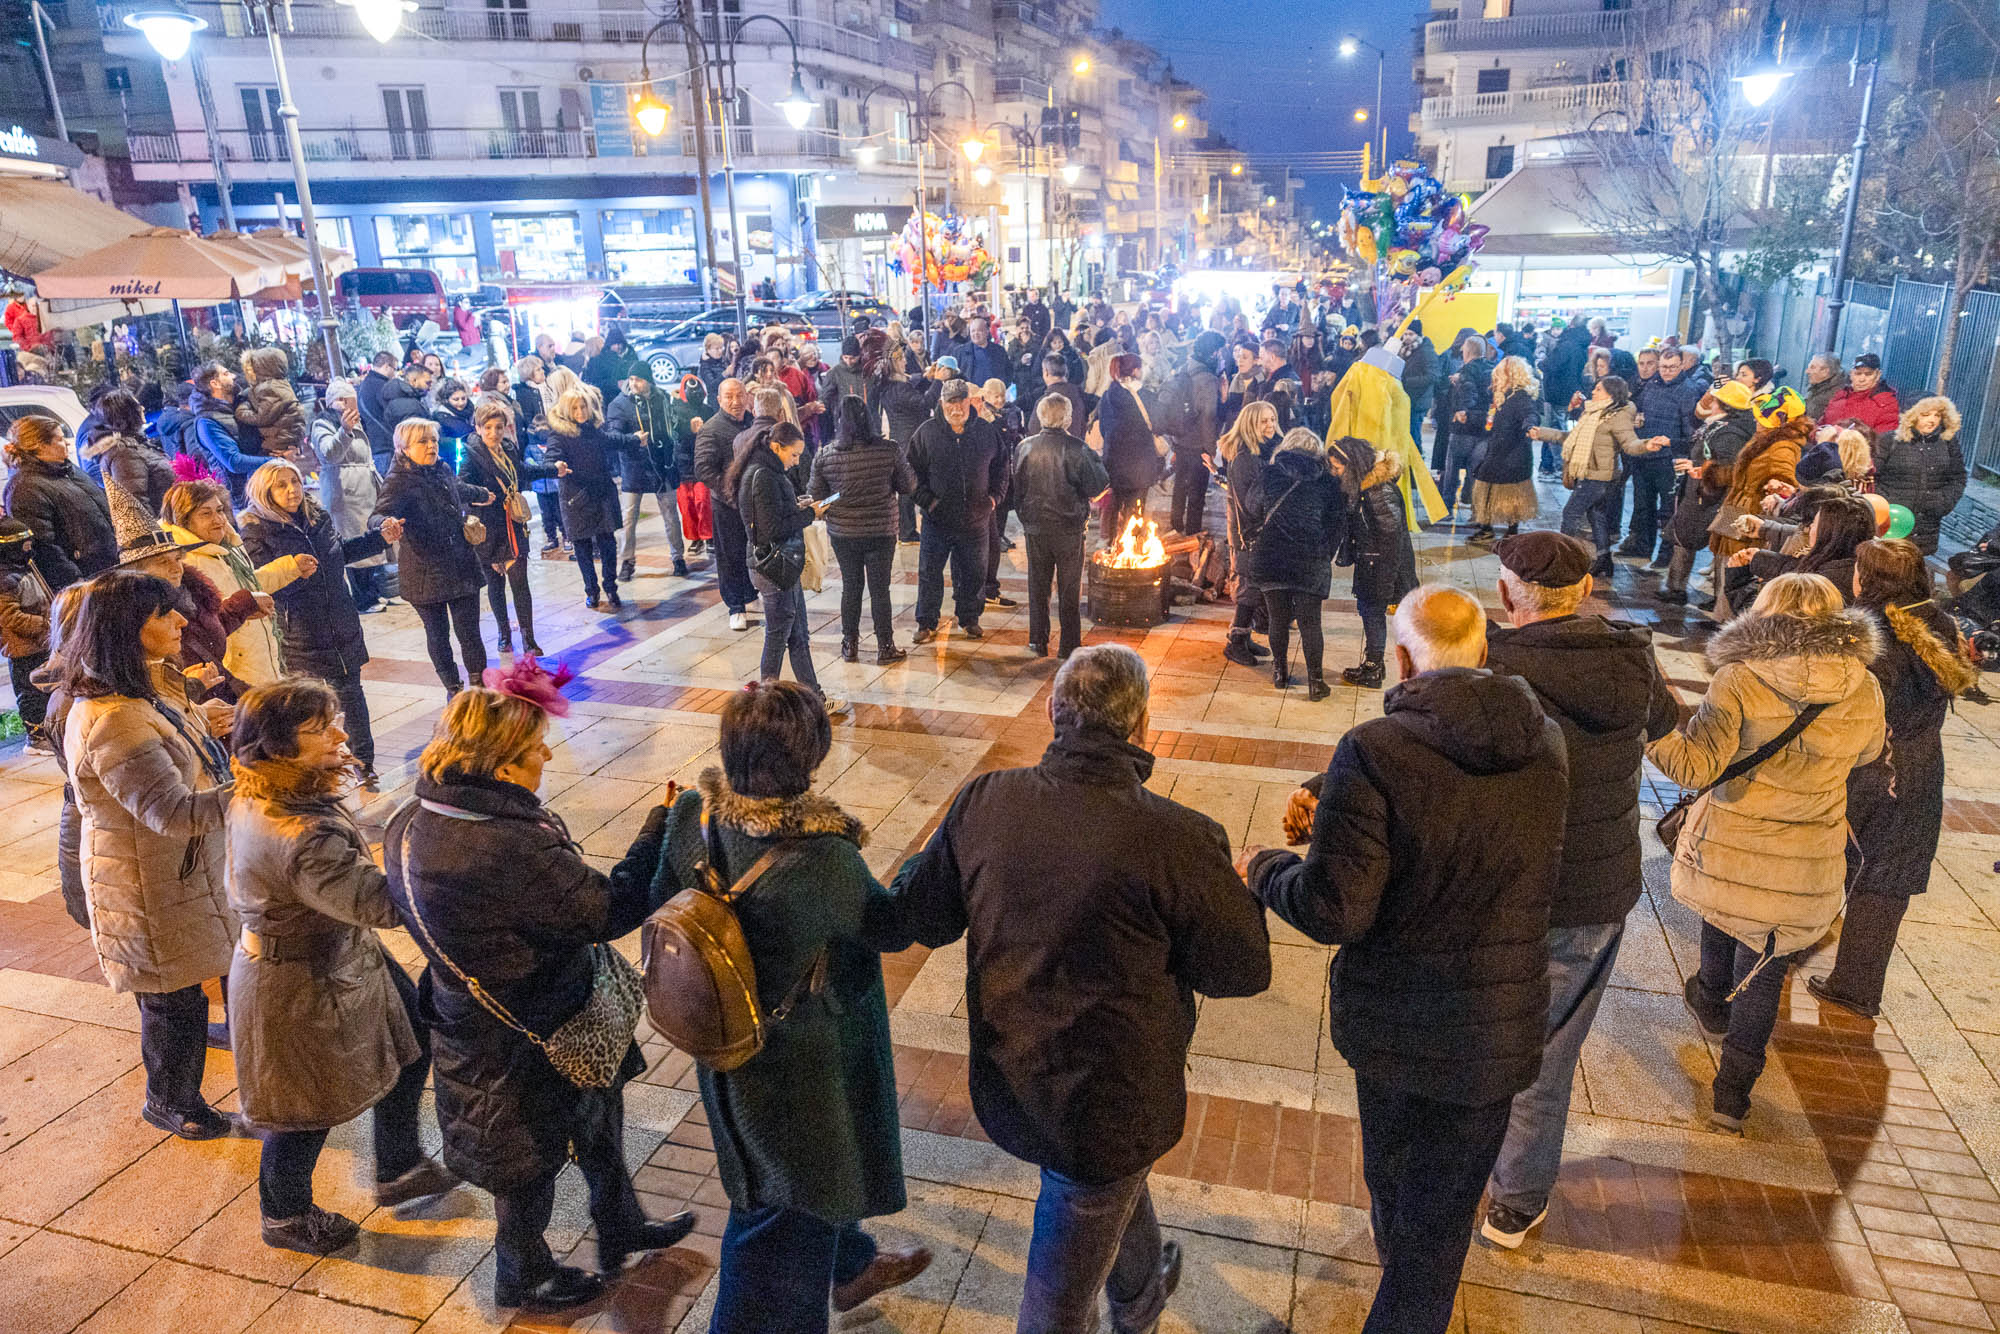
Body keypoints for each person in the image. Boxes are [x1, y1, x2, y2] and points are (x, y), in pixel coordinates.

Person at [872, 645, 1271, 1334]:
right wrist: (1241, 888)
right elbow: (1241, 970)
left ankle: (1141, 1294)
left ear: (1055, 712)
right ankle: (1133, 1301)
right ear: (1142, 725)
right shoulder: (1179, 838)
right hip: (1106, 1097)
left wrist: (942, 854)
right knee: (1059, 1296)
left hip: (1014, 1073)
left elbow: (922, 917)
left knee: (1109, 1186)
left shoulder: (985, 801)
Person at [1245, 584, 1565, 1334]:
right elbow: (1465, 806)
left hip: (1396, 1021)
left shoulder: (1375, 749)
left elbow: (1335, 908)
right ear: (1483, 649)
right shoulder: (1543, 739)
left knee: (1397, 1190)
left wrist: (1264, 869)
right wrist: (1336, 797)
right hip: (1494, 1024)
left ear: (1399, 658)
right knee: (1443, 1214)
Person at [385, 677, 695, 1313]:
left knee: (596, 1120)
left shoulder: (413, 819)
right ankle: (522, 1274)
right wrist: (659, 828)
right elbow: (607, 910)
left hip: (490, 1010)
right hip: (527, 1027)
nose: (548, 757)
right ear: (499, 765)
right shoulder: (505, 844)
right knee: (526, 1159)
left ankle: (622, 1224)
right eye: (536, 750)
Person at [646, 681, 932, 1331]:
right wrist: (921, 865)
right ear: (809, 758)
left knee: (780, 1185)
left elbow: (662, 891)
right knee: (781, 1219)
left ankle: (851, 1263)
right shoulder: (822, 858)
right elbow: (889, 927)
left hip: (726, 1046)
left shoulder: (693, 814)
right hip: (795, 1073)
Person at [1473, 533, 1678, 1249]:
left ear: (1507, 594)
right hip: (1592, 888)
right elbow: (1666, 726)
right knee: (1549, 1051)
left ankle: (1461, 1157)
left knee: (1475, 1028)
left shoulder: (1493, 664)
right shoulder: (1631, 656)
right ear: (1585, 592)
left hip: (1499, 888)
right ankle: (1516, 1200)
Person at [225, 680, 457, 1255]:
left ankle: (398, 1164)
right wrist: (445, 845)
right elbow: (382, 905)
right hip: (296, 978)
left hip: (335, 952)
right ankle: (284, 1215)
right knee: (305, 1106)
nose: (340, 733)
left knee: (412, 1039)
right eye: (320, 729)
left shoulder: (275, 792)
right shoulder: (303, 834)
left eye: (334, 720)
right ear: (278, 748)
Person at [1649, 572, 1884, 1132]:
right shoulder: (1865, 684)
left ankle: (1709, 1002)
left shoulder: (1739, 678)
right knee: (1767, 966)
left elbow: (1695, 766)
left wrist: (1650, 727)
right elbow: (1871, 750)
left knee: (1724, 909)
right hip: (1809, 850)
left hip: (1734, 838)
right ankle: (1732, 1099)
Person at [63, 570, 239, 1140]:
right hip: (143, 883)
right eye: (166, 614)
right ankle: (170, 1101)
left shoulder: (140, 691)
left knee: (179, 990)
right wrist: (264, 789)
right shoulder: (114, 718)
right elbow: (172, 811)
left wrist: (201, 728)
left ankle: (175, 1087)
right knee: (171, 999)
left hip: (171, 873)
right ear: (130, 629)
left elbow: (170, 754)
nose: (182, 621)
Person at [1809, 540, 1978, 1017]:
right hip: (1921, 766)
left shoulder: (1863, 633)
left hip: (1870, 767)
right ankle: (1856, 986)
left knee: (1826, 860)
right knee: (1887, 878)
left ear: (1868, 580)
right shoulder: (1939, 623)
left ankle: (1779, 951)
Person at [238, 469, 400, 789]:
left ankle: (363, 763)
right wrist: (294, 571)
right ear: (264, 491)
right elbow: (261, 584)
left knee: (352, 694)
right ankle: (312, 767)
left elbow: (339, 555)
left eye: (295, 482)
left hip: (340, 622)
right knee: (306, 706)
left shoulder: (318, 517)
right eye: (281, 485)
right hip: (298, 630)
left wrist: (380, 538)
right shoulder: (256, 531)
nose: (292, 490)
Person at [372, 418, 494, 695]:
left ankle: (478, 687)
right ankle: (453, 688)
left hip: (460, 563)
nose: (431, 446)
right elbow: (377, 514)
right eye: (423, 442)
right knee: (438, 635)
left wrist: (482, 494)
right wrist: (385, 523)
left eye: (434, 440)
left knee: (470, 632)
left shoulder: (442, 468)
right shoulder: (398, 481)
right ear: (404, 448)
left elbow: (457, 489)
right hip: (424, 571)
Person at [157, 475, 294, 689]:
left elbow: (251, 586)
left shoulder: (226, 549)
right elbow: (203, 624)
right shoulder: (184, 565)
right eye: (206, 513)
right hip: (233, 669)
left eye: (220, 510)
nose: (219, 520)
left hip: (258, 657)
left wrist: (290, 568)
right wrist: (245, 604)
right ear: (184, 519)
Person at [732, 421, 835, 701]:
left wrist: (799, 507)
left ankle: (815, 698)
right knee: (778, 637)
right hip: (774, 568)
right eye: (794, 454)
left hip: (784, 567)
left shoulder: (769, 471)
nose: (796, 461)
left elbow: (773, 515)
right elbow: (771, 529)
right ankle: (763, 702)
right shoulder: (763, 475)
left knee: (799, 635)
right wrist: (809, 514)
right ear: (777, 447)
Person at [809, 396, 914, 666]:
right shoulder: (888, 449)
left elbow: (816, 498)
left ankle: (850, 644)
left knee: (851, 588)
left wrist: (838, 498)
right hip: (881, 531)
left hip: (844, 533)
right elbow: (907, 486)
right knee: (881, 590)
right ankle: (885, 646)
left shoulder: (826, 455)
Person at [908, 379, 1007, 644]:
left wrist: (994, 499)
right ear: (941, 403)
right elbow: (911, 474)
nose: (955, 407)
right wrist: (928, 502)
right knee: (930, 573)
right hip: (937, 521)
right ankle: (926, 622)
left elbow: (1002, 468)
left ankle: (969, 618)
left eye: (960, 401)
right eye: (950, 402)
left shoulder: (986, 432)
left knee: (974, 572)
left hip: (976, 521)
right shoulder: (926, 433)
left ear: (970, 401)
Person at [461, 400, 562, 658]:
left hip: (513, 525)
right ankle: (503, 633)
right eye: (488, 427)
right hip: (487, 529)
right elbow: (460, 488)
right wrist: (481, 495)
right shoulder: (471, 455)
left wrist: (553, 469)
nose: (494, 433)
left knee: (520, 583)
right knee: (495, 584)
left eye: (499, 427)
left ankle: (529, 638)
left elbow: (523, 471)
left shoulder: (508, 447)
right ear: (478, 428)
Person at [1249, 430, 1345, 700]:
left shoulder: (1269, 475)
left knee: (1277, 618)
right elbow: (1337, 523)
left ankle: (1279, 673)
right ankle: (1316, 682)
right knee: (1310, 623)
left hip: (1271, 556)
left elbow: (1251, 505)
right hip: (1309, 559)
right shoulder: (1327, 481)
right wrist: (1324, 551)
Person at [1013, 391, 1110, 659]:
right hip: (1068, 527)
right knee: (1069, 587)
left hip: (1036, 526)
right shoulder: (1078, 449)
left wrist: (1025, 514)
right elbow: (1099, 484)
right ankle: (1069, 644)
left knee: (1038, 584)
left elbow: (1016, 487)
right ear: (1067, 418)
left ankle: (1037, 640)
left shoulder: (1024, 447)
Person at [1532, 375, 1659, 577]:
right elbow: (1570, 438)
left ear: (1611, 393)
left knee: (1570, 514)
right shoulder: (1592, 413)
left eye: (1599, 389)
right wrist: (1542, 433)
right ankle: (1604, 560)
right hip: (1589, 474)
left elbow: (1629, 443)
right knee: (1596, 517)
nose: (1593, 391)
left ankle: (1563, 561)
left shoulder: (1617, 416)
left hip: (1599, 477)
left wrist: (1647, 445)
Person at [1706, 387, 1809, 619]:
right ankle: (1722, 618)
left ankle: (1730, 623)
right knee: (1725, 564)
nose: (1756, 420)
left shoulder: (1782, 447)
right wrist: (1715, 473)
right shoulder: (1764, 438)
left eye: (1762, 417)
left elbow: (1786, 484)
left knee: (1737, 567)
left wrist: (1775, 488)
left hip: (1750, 514)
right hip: (1738, 508)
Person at [1327, 435, 1419, 689]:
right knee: (1370, 612)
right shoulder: (1365, 486)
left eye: (1338, 467)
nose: (1335, 472)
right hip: (1373, 563)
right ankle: (1373, 664)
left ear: (1352, 463)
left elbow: (1392, 539)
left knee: (1372, 613)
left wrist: (1388, 584)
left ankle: (1373, 667)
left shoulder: (1377, 491)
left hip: (1380, 567)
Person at [1660, 381, 1758, 605]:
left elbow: (1727, 468)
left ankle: (1719, 603)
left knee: (1721, 550)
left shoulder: (1730, 433)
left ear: (1723, 405)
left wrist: (1700, 471)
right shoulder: (1718, 426)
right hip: (1703, 495)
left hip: (1713, 498)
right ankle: (1680, 590)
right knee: (1686, 538)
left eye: (1714, 399)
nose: (1710, 402)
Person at [543, 386, 632, 611]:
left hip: (601, 492)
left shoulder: (592, 429)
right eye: (575, 408)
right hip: (576, 497)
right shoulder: (559, 433)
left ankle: (610, 586)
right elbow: (552, 457)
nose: (581, 411)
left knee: (607, 542)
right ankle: (591, 590)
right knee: (582, 547)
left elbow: (611, 440)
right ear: (567, 409)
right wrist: (555, 466)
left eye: (583, 406)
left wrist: (633, 439)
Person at [4, 413, 117, 590]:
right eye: (60, 439)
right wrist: (76, 584)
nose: (67, 443)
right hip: (87, 581)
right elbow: (45, 549)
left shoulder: (68, 470)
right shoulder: (24, 488)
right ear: (40, 446)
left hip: (109, 567)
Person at [309, 381, 392, 613]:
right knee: (354, 540)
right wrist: (343, 431)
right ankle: (362, 597)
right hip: (344, 489)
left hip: (363, 485)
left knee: (369, 536)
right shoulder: (323, 424)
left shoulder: (356, 420)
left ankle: (373, 591)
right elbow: (329, 454)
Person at [605, 370, 690, 580]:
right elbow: (613, 435)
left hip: (661, 465)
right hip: (634, 467)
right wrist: (632, 438)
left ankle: (678, 558)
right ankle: (627, 561)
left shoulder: (661, 398)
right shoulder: (620, 404)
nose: (634, 383)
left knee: (670, 514)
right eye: (631, 378)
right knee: (629, 518)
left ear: (648, 381)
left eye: (638, 379)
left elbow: (674, 425)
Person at [1216, 401, 1280, 668]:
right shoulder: (1245, 459)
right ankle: (1236, 643)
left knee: (1254, 589)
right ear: (1250, 424)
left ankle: (1244, 636)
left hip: (1255, 532)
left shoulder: (1261, 452)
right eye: (1263, 421)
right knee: (1248, 589)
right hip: (1247, 535)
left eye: (1272, 420)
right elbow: (1249, 503)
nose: (1270, 426)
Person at [1627, 346, 1702, 563]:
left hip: (1669, 460)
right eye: (1663, 367)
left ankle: (1666, 555)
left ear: (1681, 366)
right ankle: (1643, 547)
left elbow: (1692, 431)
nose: (1666, 371)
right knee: (1643, 506)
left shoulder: (1688, 390)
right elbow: (1641, 410)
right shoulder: (1652, 384)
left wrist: (1675, 446)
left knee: (1669, 510)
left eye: (1671, 367)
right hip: (1645, 455)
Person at [695, 379, 759, 629]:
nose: (735, 402)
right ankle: (735, 606)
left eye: (739, 395)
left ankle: (751, 594)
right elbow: (703, 469)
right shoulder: (711, 429)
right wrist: (730, 490)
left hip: (753, 501)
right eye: (729, 397)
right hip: (727, 504)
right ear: (719, 399)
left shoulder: (752, 423)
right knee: (730, 555)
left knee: (751, 551)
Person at [1872, 396, 1967, 557]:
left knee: (1915, 569)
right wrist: (1885, 503)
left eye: (1937, 415)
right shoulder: (1889, 440)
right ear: (1912, 415)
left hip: (1927, 524)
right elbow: (1872, 476)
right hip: (1892, 521)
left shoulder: (1947, 442)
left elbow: (1958, 477)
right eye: (1925, 415)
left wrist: (1944, 501)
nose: (1932, 420)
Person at [1470, 355, 1540, 541]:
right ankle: (1490, 527)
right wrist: (1469, 416)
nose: (1495, 379)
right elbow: (1491, 420)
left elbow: (1530, 414)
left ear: (1510, 375)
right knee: (1487, 486)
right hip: (1499, 451)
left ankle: (1506, 530)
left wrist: (1530, 427)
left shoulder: (1520, 397)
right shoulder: (1504, 396)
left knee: (1509, 492)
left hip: (1512, 455)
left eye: (1499, 374)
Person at [1097, 353, 1164, 539]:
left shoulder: (1108, 396)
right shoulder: (1146, 396)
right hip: (1140, 463)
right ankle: (1132, 544)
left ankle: (1111, 543)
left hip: (1115, 461)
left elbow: (1104, 429)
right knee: (1136, 507)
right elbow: (1157, 424)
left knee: (1115, 503)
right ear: (1135, 370)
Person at [0, 519, 53, 751]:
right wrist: (44, 623)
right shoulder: (5, 579)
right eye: (23, 545)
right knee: (30, 694)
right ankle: (36, 737)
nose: (28, 549)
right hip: (23, 649)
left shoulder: (26, 567)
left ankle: (49, 731)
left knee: (44, 690)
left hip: (39, 643)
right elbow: (10, 617)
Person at [81, 389, 174, 516]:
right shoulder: (124, 453)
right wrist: (162, 533)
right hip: (163, 527)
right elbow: (137, 505)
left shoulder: (134, 444)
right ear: (128, 413)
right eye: (137, 405)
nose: (142, 407)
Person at [1442, 334, 1492, 511]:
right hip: (1485, 426)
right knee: (1474, 467)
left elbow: (1469, 391)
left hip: (1464, 428)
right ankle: (1469, 499)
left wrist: (1463, 410)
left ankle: (1446, 505)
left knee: (1452, 467)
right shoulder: (1491, 369)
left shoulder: (1467, 371)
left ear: (1468, 351)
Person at [235, 347, 306, 460]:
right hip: (287, 437)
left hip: (278, 442)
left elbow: (262, 418)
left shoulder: (269, 388)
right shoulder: (280, 384)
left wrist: (242, 410)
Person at [1820, 353, 1900, 438]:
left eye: (1868, 374)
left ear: (1878, 375)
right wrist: (1816, 433)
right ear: (1851, 374)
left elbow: (1883, 444)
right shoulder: (1839, 397)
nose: (1862, 379)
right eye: (1858, 373)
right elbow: (1821, 426)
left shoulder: (1886, 404)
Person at [1400, 325, 1439, 444]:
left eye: (1411, 334)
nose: (1407, 337)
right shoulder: (1405, 350)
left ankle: (1417, 458)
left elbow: (1433, 376)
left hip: (1418, 400)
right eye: (1405, 334)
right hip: (1408, 398)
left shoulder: (1426, 351)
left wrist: (1407, 381)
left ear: (1418, 335)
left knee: (1413, 434)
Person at [1801, 353, 1842, 425]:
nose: (1807, 371)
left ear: (1825, 371)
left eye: (1812, 367)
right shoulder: (1816, 387)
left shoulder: (1837, 394)